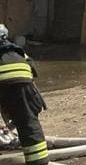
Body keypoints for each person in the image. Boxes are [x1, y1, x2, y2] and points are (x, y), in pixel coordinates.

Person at [0, 24, 48, 164]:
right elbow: (31, 67)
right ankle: (38, 161)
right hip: (24, 83)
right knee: (27, 122)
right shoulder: (16, 50)